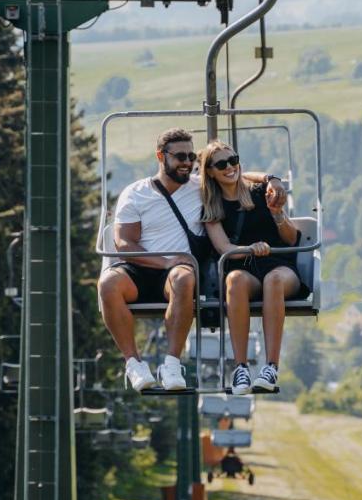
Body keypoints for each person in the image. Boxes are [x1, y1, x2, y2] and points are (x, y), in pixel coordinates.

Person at [98, 128, 286, 392]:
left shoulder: (201, 187)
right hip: (140, 266)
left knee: (184, 278)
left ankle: (172, 363)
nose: (187, 162)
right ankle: (133, 363)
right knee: (107, 284)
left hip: (179, 269)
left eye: (191, 156)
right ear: (161, 156)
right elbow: (124, 243)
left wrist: (271, 179)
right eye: (179, 157)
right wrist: (163, 262)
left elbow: (234, 175)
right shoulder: (135, 193)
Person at [198, 140, 301, 394]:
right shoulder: (212, 207)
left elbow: (291, 239)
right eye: (221, 164)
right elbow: (224, 248)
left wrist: (277, 213)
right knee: (234, 281)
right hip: (244, 265)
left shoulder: (259, 193)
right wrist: (248, 249)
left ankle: (271, 366)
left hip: (279, 264)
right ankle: (241, 366)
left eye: (233, 160)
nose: (230, 167)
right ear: (210, 171)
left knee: (273, 281)